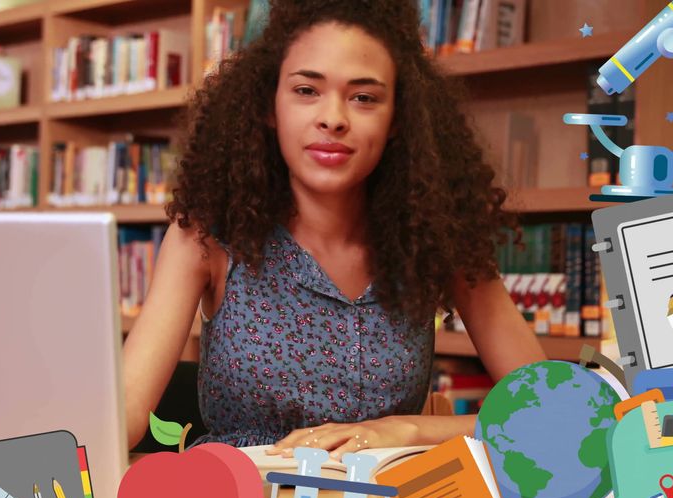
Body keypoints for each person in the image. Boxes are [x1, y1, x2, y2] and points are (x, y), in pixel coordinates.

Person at [123, 0, 545, 459]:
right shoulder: (206, 238)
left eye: (364, 97)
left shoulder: (435, 236)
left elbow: (554, 411)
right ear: (269, 106)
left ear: (398, 119)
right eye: (307, 90)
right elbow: (118, 417)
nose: (333, 118)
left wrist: (407, 431)